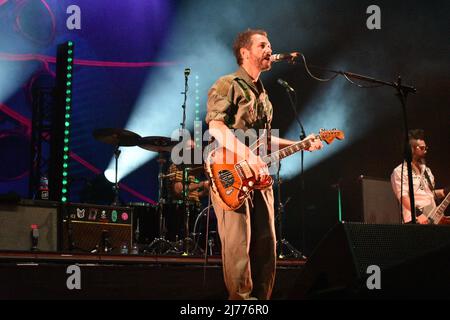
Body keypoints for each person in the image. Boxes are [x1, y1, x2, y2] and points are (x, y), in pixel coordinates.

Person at [205, 29, 322, 300]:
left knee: (265, 246)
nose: (270, 50)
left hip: (258, 176)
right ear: (245, 52)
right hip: (231, 172)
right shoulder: (228, 84)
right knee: (238, 247)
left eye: (270, 45)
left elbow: (265, 141)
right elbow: (217, 127)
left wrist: (302, 143)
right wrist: (246, 154)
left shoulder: (264, 95)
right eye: (263, 45)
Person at [391, 129, 448, 224]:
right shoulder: (399, 171)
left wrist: (445, 192)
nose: (425, 151)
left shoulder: (427, 170)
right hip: (415, 220)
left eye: (426, 148)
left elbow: (427, 194)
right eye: (422, 148)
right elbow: (403, 197)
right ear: (411, 149)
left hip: (432, 219)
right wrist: (418, 214)